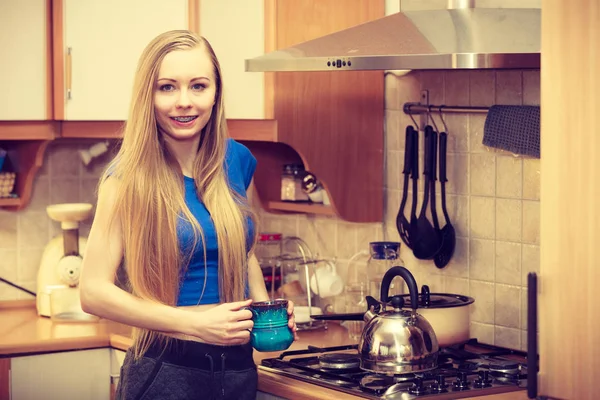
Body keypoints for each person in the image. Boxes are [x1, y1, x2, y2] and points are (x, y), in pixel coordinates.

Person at [79, 30, 297, 400]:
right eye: (167, 87)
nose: (184, 102)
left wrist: (266, 313)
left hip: (238, 372)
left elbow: (239, 248)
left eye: (198, 86)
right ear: (148, 95)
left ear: (216, 93)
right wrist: (196, 324)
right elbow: (92, 292)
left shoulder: (236, 160)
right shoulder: (126, 177)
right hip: (165, 372)